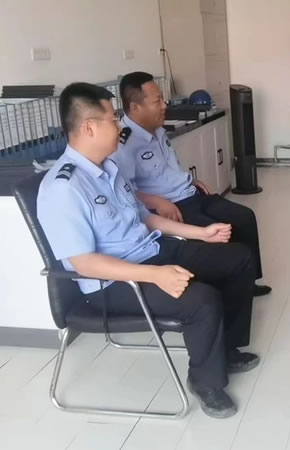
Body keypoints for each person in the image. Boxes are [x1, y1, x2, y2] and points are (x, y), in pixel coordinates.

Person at [37, 82, 260, 419]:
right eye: (113, 119)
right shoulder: (63, 188)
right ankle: (206, 383)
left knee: (238, 258)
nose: (119, 125)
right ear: (89, 127)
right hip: (111, 285)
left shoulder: (109, 168)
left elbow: (145, 217)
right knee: (202, 300)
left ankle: (225, 349)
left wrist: (201, 233)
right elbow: (83, 263)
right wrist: (154, 275)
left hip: (150, 252)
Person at [111, 72, 271, 296]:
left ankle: (248, 282)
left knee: (244, 217)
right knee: (219, 234)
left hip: (191, 193)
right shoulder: (122, 143)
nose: (164, 105)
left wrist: (189, 179)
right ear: (135, 107)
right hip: (172, 207)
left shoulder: (158, 129)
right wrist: (155, 201)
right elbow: (122, 192)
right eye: (157, 101)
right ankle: (225, 292)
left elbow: (168, 168)